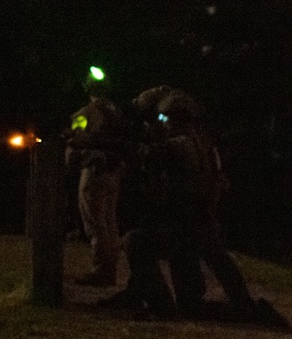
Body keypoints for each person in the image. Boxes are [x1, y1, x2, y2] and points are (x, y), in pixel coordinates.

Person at [124, 86, 257, 320]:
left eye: (164, 118)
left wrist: (131, 144)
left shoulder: (182, 143)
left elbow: (147, 155)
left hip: (186, 224)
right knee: (199, 267)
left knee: (137, 243)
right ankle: (233, 303)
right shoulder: (202, 142)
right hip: (193, 222)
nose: (161, 123)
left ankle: (162, 306)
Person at [64, 68, 129, 286]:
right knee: (109, 220)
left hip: (95, 171)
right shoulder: (115, 111)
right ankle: (110, 268)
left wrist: (72, 148)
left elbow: (76, 140)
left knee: (94, 220)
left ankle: (102, 270)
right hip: (115, 170)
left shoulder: (85, 113)